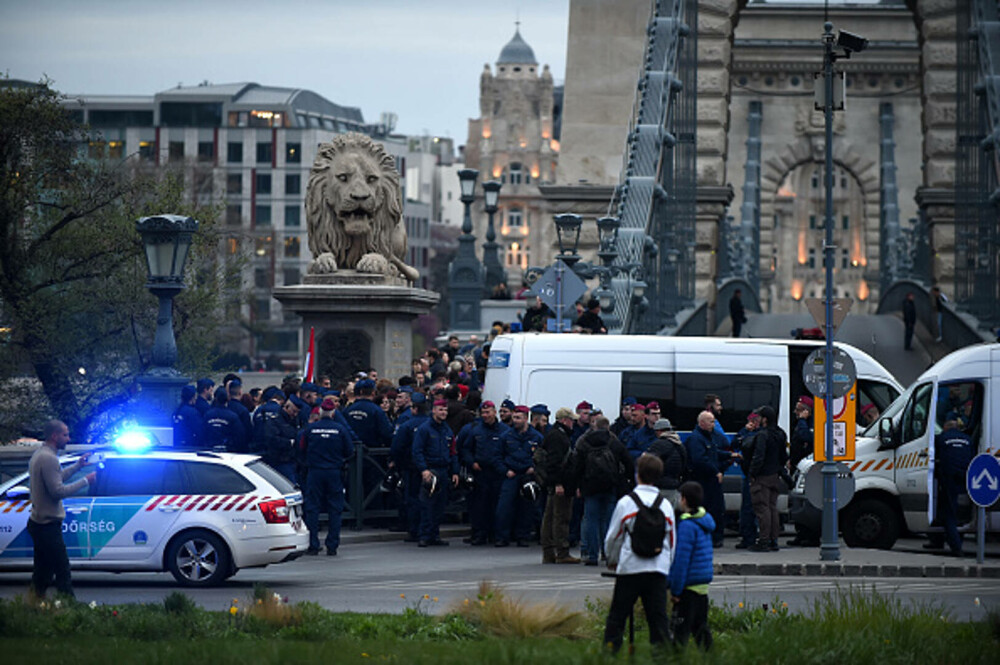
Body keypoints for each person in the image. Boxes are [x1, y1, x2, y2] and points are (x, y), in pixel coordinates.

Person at [602, 454, 676, 654]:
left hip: (631, 566)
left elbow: (613, 537)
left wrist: (613, 559)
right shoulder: (665, 505)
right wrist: (666, 563)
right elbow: (671, 541)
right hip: (657, 568)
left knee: (618, 616)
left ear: (637, 475)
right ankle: (661, 655)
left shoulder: (627, 503)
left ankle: (610, 653)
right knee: (658, 618)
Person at [27, 420, 95, 599]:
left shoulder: (41, 455)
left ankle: (33, 604)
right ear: (54, 436)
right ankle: (69, 607)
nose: (68, 438)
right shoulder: (48, 458)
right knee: (62, 568)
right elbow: (57, 491)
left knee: (42, 571)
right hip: (46, 524)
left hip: (39, 522)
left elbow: (56, 478)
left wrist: (78, 466)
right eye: (65, 434)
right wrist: (86, 481)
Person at [573, 416, 633, 565]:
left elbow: (577, 467)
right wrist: (625, 480)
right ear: (608, 427)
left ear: (594, 426)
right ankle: (608, 554)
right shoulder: (614, 442)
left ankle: (591, 555)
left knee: (591, 520)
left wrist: (578, 485)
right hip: (610, 486)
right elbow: (628, 463)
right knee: (608, 520)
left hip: (590, 487)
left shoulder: (584, 442)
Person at [300, 397, 354, 556]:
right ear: (333, 413)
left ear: (320, 412)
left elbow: (301, 448)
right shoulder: (340, 429)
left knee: (312, 508)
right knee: (335, 509)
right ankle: (332, 545)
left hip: (315, 472)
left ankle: (313, 544)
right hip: (334, 472)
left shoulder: (310, 429)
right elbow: (349, 451)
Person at [669, 481, 715, 650]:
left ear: (684, 500)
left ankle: (675, 659)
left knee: (679, 631)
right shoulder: (704, 522)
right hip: (702, 585)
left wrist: (675, 590)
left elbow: (682, 560)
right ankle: (710, 658)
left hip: (688, 586)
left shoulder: (687, 526)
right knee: (700, 628)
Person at [412, 399, 458, 547]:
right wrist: (423, 469)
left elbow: (452, 452)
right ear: (433, 410)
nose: (443, 413)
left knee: (440, 505)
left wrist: (455, 471)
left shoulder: (447, 430)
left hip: (444, 470)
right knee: (427, 505)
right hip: (430, 470)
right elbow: (417, 451)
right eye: (440, 410)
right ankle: (424, 535)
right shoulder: (424, 429)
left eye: (445, 410)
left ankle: (435, 534)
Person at [537, 407, 580, 564]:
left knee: (549, 518)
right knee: (561, 518)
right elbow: (555, 463)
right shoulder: (559, 437)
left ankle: (548, 552)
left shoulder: (554, 434)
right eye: (571, 420)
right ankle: (562, 552)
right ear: (564, 420)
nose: (573, 423)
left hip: (554, 483)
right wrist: (558, 483)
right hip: (560, 484)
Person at [495, 405, 543, 547]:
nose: (515, 420)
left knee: (527, 507)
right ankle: (502, 536)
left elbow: (542, 457)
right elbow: (497, 456)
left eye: (518, 418)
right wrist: (505, 470)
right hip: (511, 474)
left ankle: (523, 536)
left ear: (526, 418)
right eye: (514, 417)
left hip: (527, 475)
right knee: (504, 507)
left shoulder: (536, 437)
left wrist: (534, 468)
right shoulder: (506, 436)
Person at [684, 411, 732, 547]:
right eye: (711, 421)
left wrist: (729, 455)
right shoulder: (696, 438)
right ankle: (711, 537)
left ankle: (716, 536)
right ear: (702, 423)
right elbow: (700, 459)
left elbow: (714, 453)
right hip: (703, 480)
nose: (714, 424)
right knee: (709, 508)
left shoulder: (708, 437)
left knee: (717, 509)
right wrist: (715, 471)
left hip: (710, 480)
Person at [390, 392, 430, 542]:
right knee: (429, 499)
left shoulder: (407, 425)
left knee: (413, 499)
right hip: (429, 467)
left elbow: (396, 447)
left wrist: (397, 462)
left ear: (414, 408)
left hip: (411, 467)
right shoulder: (431, 424)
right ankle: (427, 531)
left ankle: (414, 530)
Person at [748, 405, 788, 552]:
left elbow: (759, 456)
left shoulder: (763, 435)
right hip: (775, 476)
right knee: (772, 508)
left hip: (762, 476)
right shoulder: (781, 434)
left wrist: (752, 473)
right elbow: (784, 456)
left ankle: (763, 541)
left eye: (759, 417)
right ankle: (773, 540)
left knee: (762, 508)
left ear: (764, 419)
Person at [933, 420, 974, 556]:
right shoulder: (968, 439)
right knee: (960, 513)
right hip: (964, 478)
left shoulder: (942, 438)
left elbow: (934, 456)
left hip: (948, 479)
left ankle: (956, 548)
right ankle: (937, 541)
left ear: (945, 428)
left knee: (948, 513)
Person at [732, 412, 760, 549]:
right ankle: (747, 536)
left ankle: (750, 537)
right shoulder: (746, 432)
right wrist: (744, 431)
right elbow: (735, 443)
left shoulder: (759, 435)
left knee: (750, 508)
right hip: (747, 474)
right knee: (746, 508)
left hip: (752, 475)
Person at [647, 418, 688, 505]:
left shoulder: (658, 445)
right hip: (674, 487)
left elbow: (648, 464)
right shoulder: (679, 444)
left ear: (658, 431)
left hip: (660, 487)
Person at [344, 379, 393, 449]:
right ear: (373, 392)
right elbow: (386, 433)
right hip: (373, 452)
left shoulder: (347, 410)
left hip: (351, 453)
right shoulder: (377, 411)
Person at [265, 396, 301, 484]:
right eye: (294, 411)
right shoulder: (275, 420)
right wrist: (290, 443)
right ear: (287, 407)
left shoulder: (294, 420)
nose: (295, 414)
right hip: (280, 460)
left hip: (292, 459)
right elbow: (272, 439)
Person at [203, 386, 245, 452]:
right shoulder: (233, 416)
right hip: (228, 452)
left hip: (209, 451)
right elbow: (239, 436)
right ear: (228, 398)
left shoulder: (208, 415)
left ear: (215, 398)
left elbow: (203, 432)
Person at [172, 385, 203, 450]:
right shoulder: (192, 412)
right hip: (189, 446)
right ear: (193, 397)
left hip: (176, 445)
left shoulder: (176, 412)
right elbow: (199, 431)